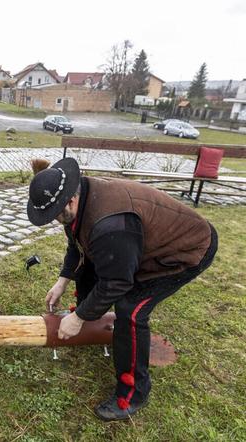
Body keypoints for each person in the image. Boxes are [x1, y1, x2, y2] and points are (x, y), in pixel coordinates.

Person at [27, 157, 218, 421]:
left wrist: (79, 317)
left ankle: (133, 394)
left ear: (70, 200)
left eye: (55, 215)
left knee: (131, 309)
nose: (53, 221)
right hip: (132, 241)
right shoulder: (79, 199)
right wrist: (63, 280)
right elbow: (78, 244)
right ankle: (90, 325)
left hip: (187, 250)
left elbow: (117, 282)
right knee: (94, 269)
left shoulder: (110, 225)